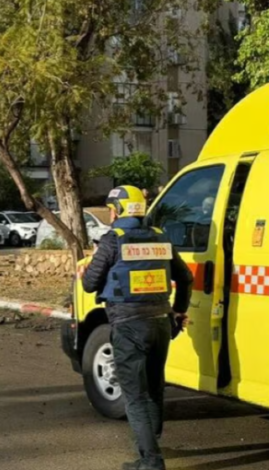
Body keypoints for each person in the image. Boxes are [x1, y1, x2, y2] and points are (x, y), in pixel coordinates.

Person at [82, 185, 193, 470]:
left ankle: (151, 461)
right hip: (161, 323)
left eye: (111, 209)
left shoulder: (113, 240)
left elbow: (90, 284)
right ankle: (151, 446)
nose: (110, 214)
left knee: (134, 397)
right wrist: (179, 311)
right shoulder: (159, 237)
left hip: (129, 325)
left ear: (118, 210)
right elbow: (185, 277)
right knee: (154, 388)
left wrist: (85, 270)